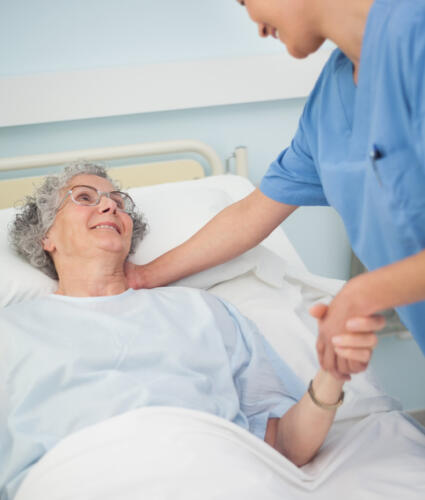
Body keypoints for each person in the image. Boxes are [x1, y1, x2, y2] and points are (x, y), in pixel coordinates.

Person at [0, 163, 376, 499]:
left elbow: (284, 445)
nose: (110, 205)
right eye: (85, 197)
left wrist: (331, 375)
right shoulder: (12, 330)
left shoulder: (203, 311)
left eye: (119, 201)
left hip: (215, 471)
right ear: (45, 237)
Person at [125, 0, 425, 380]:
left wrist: (363, 292)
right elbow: (252, 215)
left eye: (244, 1)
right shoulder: (331, 100)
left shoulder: (415, 35)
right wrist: (145, 276)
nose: (257, 26)